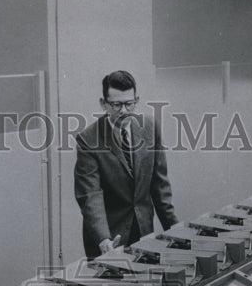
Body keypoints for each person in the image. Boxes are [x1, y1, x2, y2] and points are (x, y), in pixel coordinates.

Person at [74, 70, 179, 258]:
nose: (123, 111)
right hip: (108, 238)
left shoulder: (149, 126)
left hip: (144, 231)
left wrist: (175, 229)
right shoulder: (88, 140)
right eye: (116, 105)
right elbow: (91, 195)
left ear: (136, 101)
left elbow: (159, 184)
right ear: (103, 104)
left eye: (129, 104)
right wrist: (104, 239)